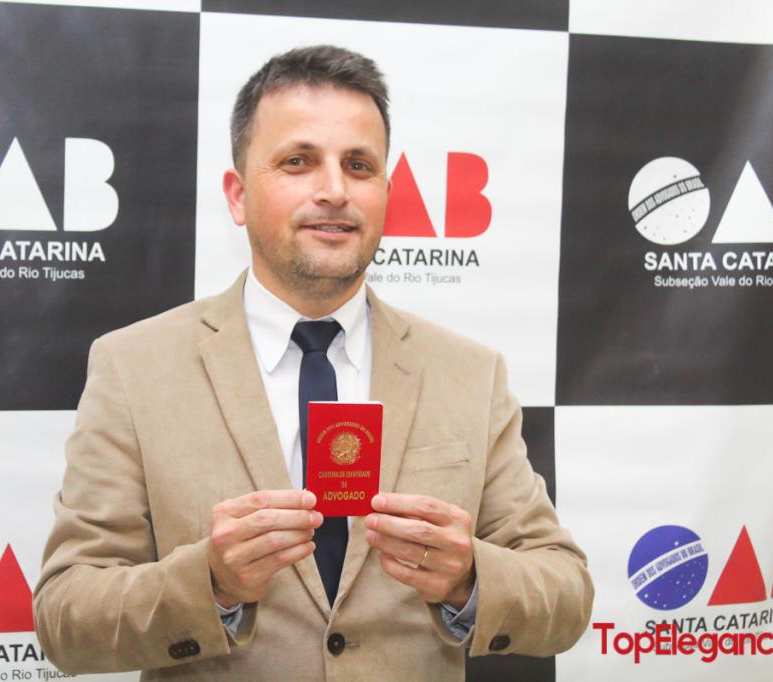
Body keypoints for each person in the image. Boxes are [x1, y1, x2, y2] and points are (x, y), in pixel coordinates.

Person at [33, 45, 593, 681]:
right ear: (238, 195)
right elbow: (64, 618)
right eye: (298, 162)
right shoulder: (134, 367)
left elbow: (566, 595)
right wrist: (209, 583)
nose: (334, 191)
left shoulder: (470, 372)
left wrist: (469, 579)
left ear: (386, 193)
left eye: (359, 166)